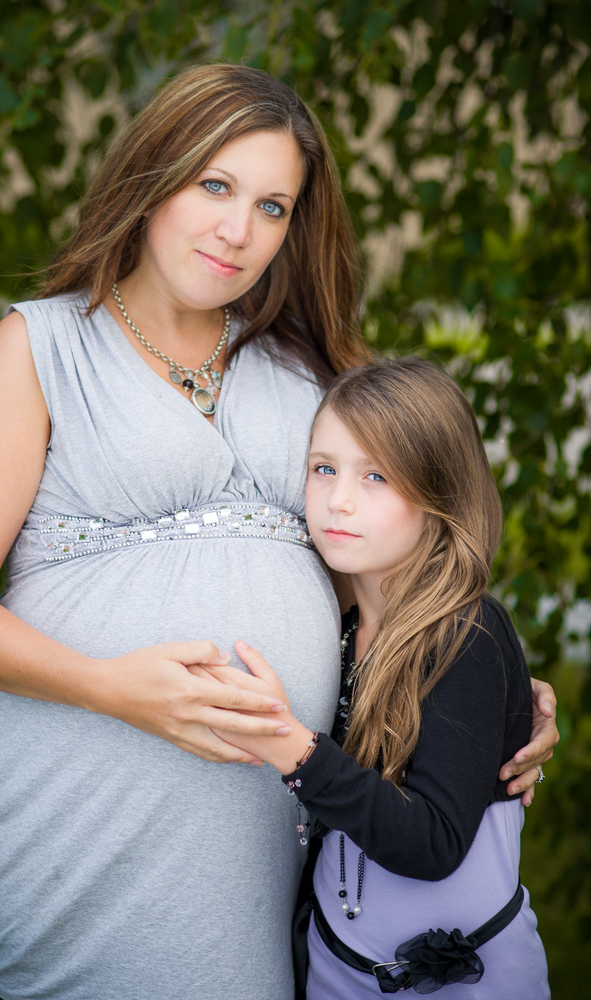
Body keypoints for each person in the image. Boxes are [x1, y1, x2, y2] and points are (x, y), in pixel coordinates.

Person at [0, 65, 555, 1000]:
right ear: (150, 176)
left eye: (272, 206)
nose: (238, 230)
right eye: (213, 185)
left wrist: (487, 688)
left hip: (262, 844)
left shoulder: (308, 370)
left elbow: (386, 569)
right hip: (77, 815)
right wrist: (112, 688)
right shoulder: (38, 349)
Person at [206, 356, 550, 998]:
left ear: (440, 492)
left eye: (377, 476)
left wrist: (289, 747)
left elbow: (433, 843)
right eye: (324, 468)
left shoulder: (466, 633)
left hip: (462, 980)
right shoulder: (335, 633)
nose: (339, 499)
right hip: (339, 969)